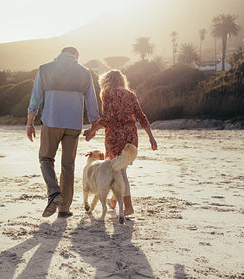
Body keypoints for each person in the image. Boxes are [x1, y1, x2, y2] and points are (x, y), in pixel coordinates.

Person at [27, 47, 99, 218]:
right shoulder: (84, 72)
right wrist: (93, 127)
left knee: (45, 158)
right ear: (75, 55)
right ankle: (64, 209)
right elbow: (92, 101)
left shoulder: (45, 69)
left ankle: (53, 193)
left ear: (60, 53)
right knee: (68, 166)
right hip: (74, 124)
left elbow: (35, 97)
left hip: (52, 121)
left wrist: (30, 122)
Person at [83, 69, 157, 216]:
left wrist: (92, 131)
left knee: (119, 171)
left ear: (106, 81)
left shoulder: (107, 93)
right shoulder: (130, 95)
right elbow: (141, 117)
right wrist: (151, 137)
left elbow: (107, 117)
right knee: (119, 169)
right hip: (130, 136)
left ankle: (128, 207)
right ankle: (113, 200)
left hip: (115, 137)